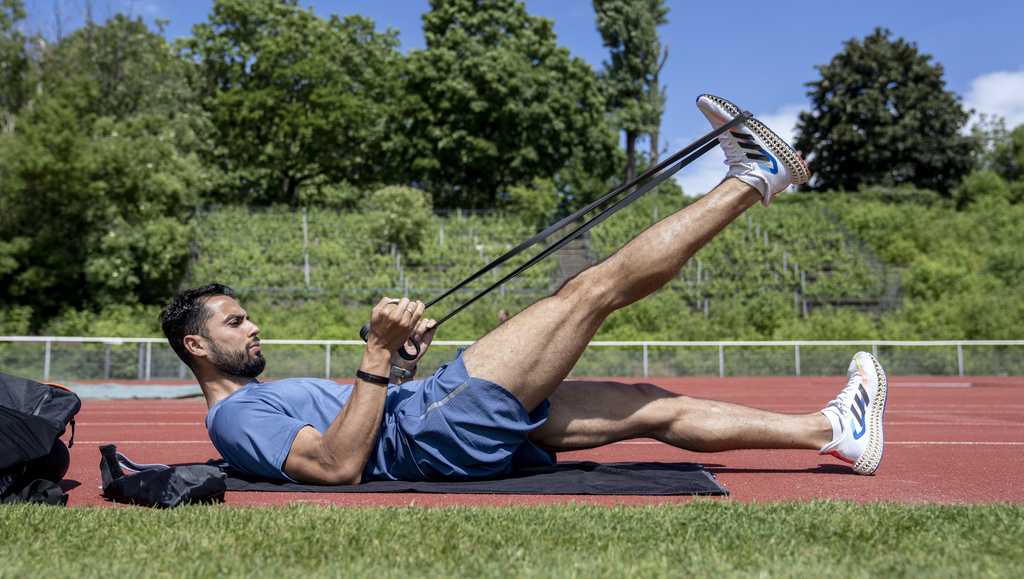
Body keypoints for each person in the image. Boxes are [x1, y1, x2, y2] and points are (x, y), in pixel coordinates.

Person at [159, 95, 888, 485]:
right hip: (436, 429)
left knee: (648, 407)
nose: (251, 328)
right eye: (235, 321)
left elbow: (360, 426)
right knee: (589, 291)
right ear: (197, 344)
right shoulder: (232, 422)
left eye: (246, 315)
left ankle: (831, 432)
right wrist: (377, 355)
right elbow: (338, 465)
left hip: (428, 415)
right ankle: (755, 175)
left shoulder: (256, 399)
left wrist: (400, 362)